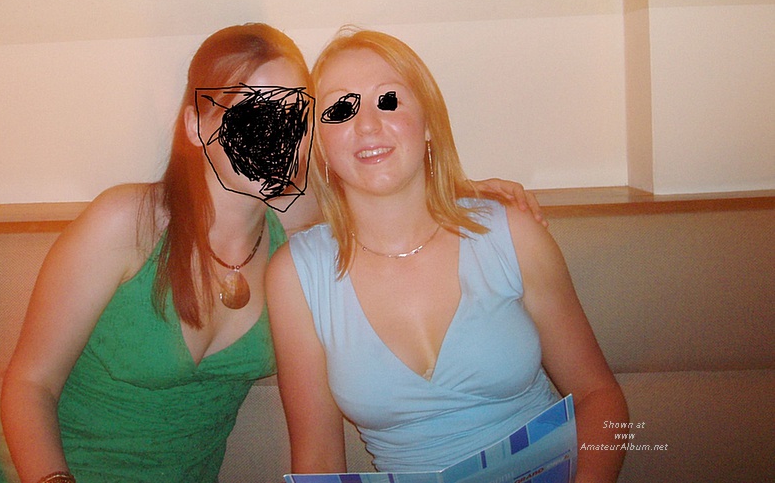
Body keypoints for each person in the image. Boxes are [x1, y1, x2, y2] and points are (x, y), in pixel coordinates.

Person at [0, 23, 544, 483]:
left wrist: (465, 188)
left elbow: (383, 186)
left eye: (292, 111)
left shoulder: (301, 231)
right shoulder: (125, 223)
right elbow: (29, 383)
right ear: (197, 126)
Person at [266, 28, 628, 483]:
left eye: (388, 100)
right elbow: (318, 462)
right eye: (340, 109)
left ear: (428, 123)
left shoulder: (512, 233)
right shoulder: (296, 276)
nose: (367, 124)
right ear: (319, 141)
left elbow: (600, 397)